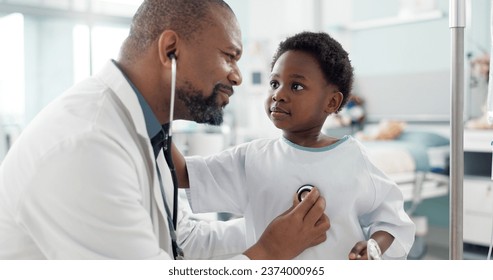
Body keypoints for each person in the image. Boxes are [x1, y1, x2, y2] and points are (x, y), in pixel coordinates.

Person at [0, 0, 330, 260]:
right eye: (230, 56)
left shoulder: (146, 130)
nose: (238, 77)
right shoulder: (88, 146)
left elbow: (182, 239)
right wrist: (269, 253)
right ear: (171, 49)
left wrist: (274, 229)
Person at [174, 31, 416, 260]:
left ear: (331, 101)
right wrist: (153, 114)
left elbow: (391, 221)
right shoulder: (253, 157)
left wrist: (374, 247)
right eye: (274, 83)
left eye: (296, 86)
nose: (279, 94)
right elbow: (184, 173)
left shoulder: (354, 159)